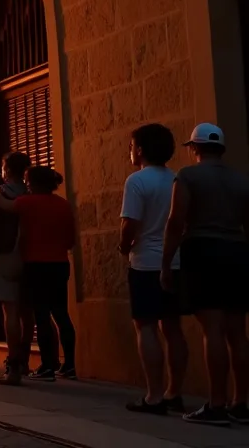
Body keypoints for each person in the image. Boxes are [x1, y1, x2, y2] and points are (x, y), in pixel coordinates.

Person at [163, 123, 249, 425]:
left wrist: (166, 263)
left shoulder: (188, 176)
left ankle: (216, 404)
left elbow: (176, 220)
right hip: (237, 251)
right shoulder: (241, 180)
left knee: (212, 329)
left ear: (195, 148)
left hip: (203, 250)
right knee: (237, 332)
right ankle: (241, 402)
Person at [119, 124, 188, 415]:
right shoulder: (176, 179)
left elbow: (130, 223)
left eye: (132, 145)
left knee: (146, 326)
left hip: (145, 262)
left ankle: (154, 395)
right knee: (173, 327)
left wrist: (124, 246)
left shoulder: (136, 181)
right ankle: (175, 392)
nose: (130, 151)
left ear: (141, 149)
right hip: (175, 261)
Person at [0, 166, 77, 381]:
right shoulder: (63, 204)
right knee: (61, 314)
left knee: (41, 315)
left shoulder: (27, 202)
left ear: (33, 183)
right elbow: (71, 240)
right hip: (60, 264)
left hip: (36, 265)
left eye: (27, 181)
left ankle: (47, 367)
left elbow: (3, 204)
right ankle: (69, 365)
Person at [0, 152, 33, 385]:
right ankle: (24, 361)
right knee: (26, 311)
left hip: (4, 255)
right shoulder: (31, 194)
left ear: (7, 170)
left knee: (9, 311)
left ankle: (13, 364)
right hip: (30, 255)